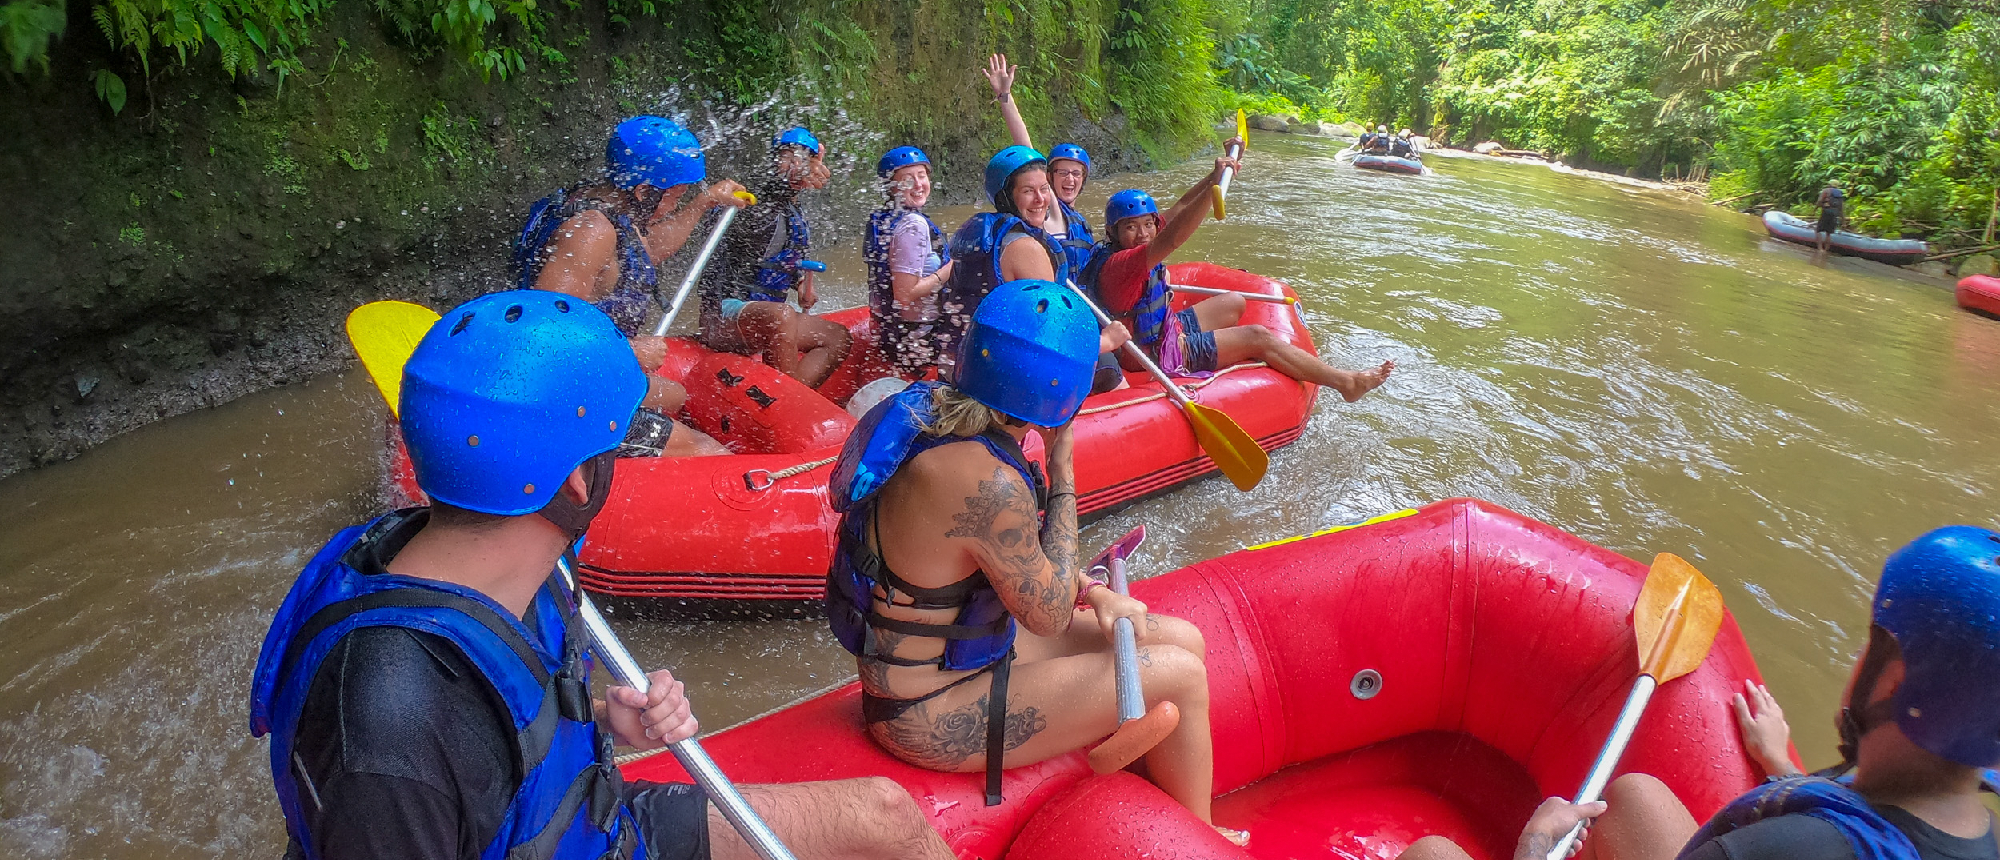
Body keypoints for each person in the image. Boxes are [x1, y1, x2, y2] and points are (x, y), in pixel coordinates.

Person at [251, 290, 957, 860]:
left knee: (885, 816)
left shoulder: (516, 557)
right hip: (568, 838)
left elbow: (494, 740)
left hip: (597, 825)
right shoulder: (385, 726)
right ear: (578, 482)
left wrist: (600, 719)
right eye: (617, 446)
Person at [822, 279, 1242, 844]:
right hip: (926, 710)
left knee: (1184, 639)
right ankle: (1203, 839)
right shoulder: (987, 483)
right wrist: (1063, 466)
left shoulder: (930, 417)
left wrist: (1094, 592)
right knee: (1183, 675)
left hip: (951, 660)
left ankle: (1156, 782)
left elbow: (1004, 568)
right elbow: (1048, 616)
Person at [1401, 525, 2000, 860]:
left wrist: (1534, 849)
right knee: (1634, 797)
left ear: (1891, 681)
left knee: (1431, 855)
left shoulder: (1781, 850)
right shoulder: (1976, 835)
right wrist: (1780, 767)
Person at [514, 115, 736, 456]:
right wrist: (630, 350)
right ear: (644, 191)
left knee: (676, 394)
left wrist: (704, 202)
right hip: (561, 399)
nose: (674, 205)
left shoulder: (604, 204)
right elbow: (544, 336)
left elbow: (649, 250)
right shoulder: (590, 233)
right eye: (674, 197)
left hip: (589, 375)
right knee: (708, 450)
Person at [1083, 172, 1394, 400]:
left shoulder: (1133, 243)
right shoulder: (1121, 265)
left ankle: (1225, 348)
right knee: (1257, 335)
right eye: (1131, 227)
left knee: (1234, 302)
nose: (1143, 234)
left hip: (1161, 329)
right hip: (1150, 352)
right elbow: (1174, 237)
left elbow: (1180, 208)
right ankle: (1345, 383)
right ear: (1113, 232)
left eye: (1148, 224)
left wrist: (1215, 176)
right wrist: (1213, 194)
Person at [934, 146, 1125, 379]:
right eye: (1028, 191)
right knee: (1108, 365)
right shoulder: (1026, 248)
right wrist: (1106, 341)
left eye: (1044, 189)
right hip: (998, 377)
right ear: (1006, 197)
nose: (1040, 199)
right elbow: (1052, 336)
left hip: (963, 367)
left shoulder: (986, 236)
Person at [699, 126, 853, 388]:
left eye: (803, 160)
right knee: (782, 315)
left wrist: (799, 283)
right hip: (723, 315)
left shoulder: (792, 209)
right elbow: (754, 232)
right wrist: (791, 177)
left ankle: (791, 396)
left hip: (767, 317)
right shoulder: (753, 199)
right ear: (773, 161)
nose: (795, 165)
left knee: (838, 337)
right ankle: (786, 396)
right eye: (787, 157)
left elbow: (778, 256)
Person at [865, 145, 956, 378]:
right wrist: (950, 268)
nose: (918, 185)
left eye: (921, 176)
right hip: (921, 341)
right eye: (907, 180)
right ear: (891, 188)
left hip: (896, 335)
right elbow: (905, 294)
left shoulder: (886, 219)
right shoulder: (913, 225)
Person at [1816, 180, 1847, 253]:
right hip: (1835, 213)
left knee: (1818, 231)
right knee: (1828, 233)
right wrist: (1843, 221)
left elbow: (1819, 201)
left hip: (1826, 212)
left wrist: (1815, 210)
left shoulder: (1826, 191)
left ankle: (1820, 249)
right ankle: (1826, 250)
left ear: (1829, 184)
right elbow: (1841, 208)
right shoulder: (1839, 193)